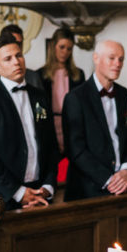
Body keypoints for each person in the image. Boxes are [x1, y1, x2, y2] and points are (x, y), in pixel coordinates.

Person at [0, 35, 57, 209]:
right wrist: (18, 192)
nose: (16, 62)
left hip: (39, 193)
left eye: (19, 56)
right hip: (1, 197)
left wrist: (47, 186)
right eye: (8, 59)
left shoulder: (39, 95)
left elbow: (51, 145)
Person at [62, 40, 127, 201]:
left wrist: (126, 170)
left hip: (123, 186)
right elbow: (76, 150)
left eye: (121, 59)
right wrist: (109, 180)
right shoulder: (75, 98)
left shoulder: (124, 94)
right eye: (112, 58)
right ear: (96, 58)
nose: (118, 64)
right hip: (88, 190)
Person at [40, 27, 86, 185]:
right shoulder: (41, 74)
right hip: (49, 124)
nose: (65, 52)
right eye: (62, 47)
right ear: (53, 46)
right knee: (51, 170)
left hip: (71, 124)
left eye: (69, 48)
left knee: (72, 172)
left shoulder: (78, 75)